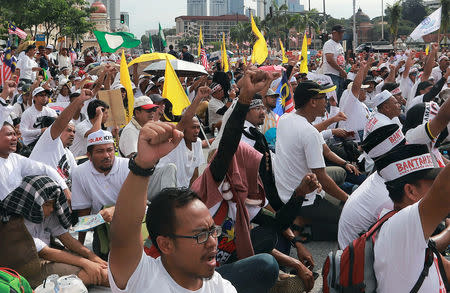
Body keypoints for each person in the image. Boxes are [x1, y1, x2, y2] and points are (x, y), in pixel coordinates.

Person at [108, 120, 240, 292]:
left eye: (212, 231)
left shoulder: (221, 287)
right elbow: (124, 232)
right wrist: (143, 165)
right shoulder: (141, 278)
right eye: (200, 235)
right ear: (165, 244)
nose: (212, 242)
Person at [274, 80, 356, 242]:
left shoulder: (284, 118)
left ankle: (304, 220)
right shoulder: (309, 132)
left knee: (339, 176)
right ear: (312, 102)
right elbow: (323, 179)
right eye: (323, 98)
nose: (326, 101)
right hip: (304, 200)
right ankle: (304, 223)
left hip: (286, 192)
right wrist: (349, 200)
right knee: (353, 224)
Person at [373, 144, 450, 292]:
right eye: (433, 184)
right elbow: (445, 187)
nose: (436, 188)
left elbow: (443, 266)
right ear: (410, 191)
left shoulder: (404, 225)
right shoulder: (402, 226)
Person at [29, 90, 92, 188]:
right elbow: (62, 120)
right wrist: (80, 99)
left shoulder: (68, 154)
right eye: (68, 130)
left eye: (74, 132)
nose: (72, 134)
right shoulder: (50, 140)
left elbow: (76, 176)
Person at [323, 25, 346, 100]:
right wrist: (341, 70)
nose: (342, 34)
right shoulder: (329, 43)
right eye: (340, 33)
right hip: (332, 75)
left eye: (342, 32)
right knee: (332, 99)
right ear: (334, 33)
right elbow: (329, 59)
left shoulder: (339, 44)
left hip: (339, 75)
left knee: (339, 99)